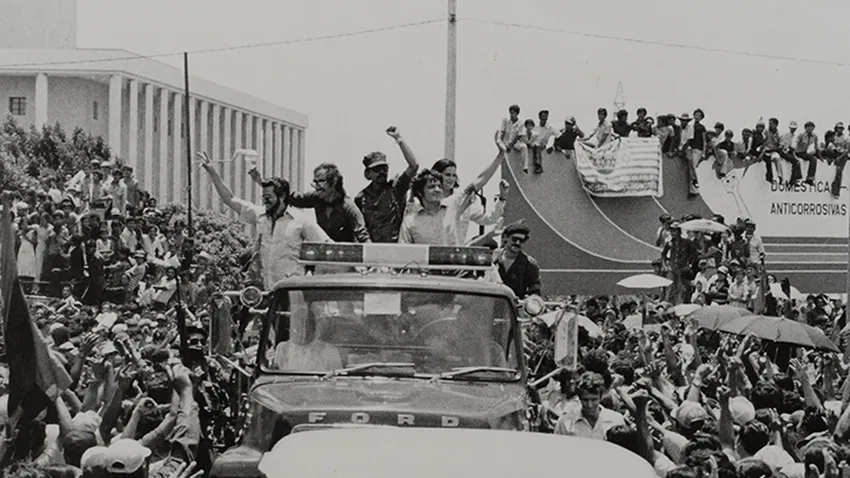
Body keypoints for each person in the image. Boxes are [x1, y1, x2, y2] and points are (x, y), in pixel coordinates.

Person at [198, 151, 330, 288]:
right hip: (266, 290)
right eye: (263, 197)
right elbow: (229, 199)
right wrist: (212, 171)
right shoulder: (260, 215)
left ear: (282, 197)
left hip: (292, 289)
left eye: (268, 198)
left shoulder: (301, 221)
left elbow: (326, 245)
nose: (265, 201)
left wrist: (311, 272)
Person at [399, 145, 504, 245]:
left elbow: (478, 182)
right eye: (431, 187)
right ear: (420, 192)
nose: (437, 190)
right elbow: (403, 249)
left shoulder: (453, 205)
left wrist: (501, 155)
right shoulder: (411, 218)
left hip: (454, 256)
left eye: (439, 186)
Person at [252, 163, 370, 243]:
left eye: (321, 182)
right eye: (315, 182)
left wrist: (374, 262)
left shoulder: (349, 207)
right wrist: (262, 182)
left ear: (334, 182)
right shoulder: (316, 198)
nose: (316, 187)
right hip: (322, 255)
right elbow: (290, 197)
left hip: (344, 260)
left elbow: (363, 235)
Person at [354, 127, 419, 243]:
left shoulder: (396, 189)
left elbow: (414, 166)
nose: (382, 172)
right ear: (368, 174)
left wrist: (399, 139)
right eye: (377, 169)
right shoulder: (361, 198)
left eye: (384, 168)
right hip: (372, 247)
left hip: (397, 246)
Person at [553, 371, 625, 440]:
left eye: (594, 400)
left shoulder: (616, 420)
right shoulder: (565, 422)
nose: (589, 405)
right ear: (580, 398)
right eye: (585, 400)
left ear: (600, 397)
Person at [494, 221, 541, 300]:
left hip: (515, 305)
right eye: (514, 239)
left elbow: (534, 292)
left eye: (521, 241)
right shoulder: (493, 258)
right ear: (506, 238)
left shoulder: (529, 264)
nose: (517, 243)